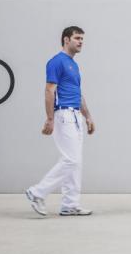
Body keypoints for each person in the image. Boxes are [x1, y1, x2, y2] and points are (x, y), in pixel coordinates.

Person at [25, 26, 96, 217]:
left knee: (76, 162)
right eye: (77, 38)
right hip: (63, 116)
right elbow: (49, 90)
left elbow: (78, 94)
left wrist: (87, 116)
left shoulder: (74, 65)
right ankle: (37, 192)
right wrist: (49, 118)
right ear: (66, 39)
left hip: (75, 116)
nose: (81, 42)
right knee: (70, 160)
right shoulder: (56, 62)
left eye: (82, 39)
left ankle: (70, 204)